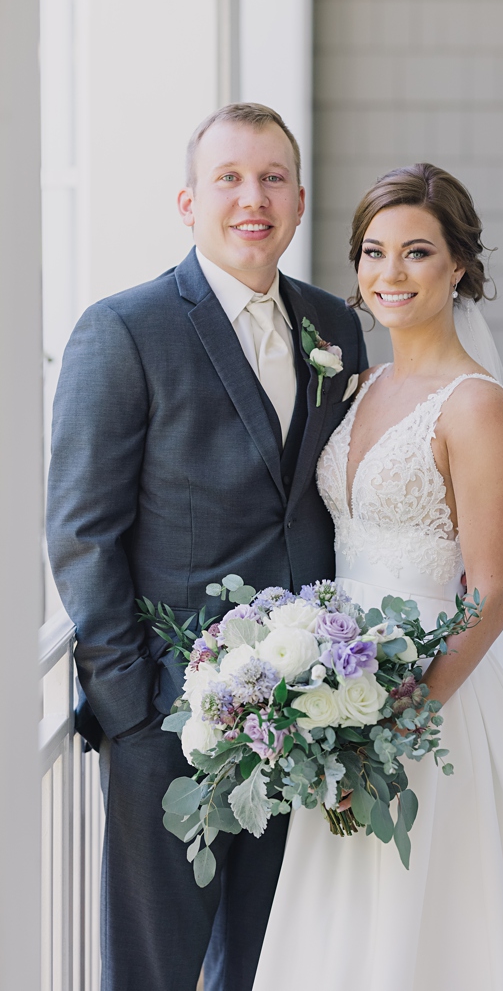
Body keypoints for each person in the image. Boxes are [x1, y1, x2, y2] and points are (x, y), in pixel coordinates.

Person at [252, 164, 503, 990]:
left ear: (459, 269)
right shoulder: (358, 389)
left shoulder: (477, 407)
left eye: (416, 253)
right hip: (338, 695)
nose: (390, 274)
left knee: (448, 921)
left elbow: (494, 590)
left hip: (429, 702)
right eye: (373, 253)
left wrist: (400, 718)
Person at [47, 103, 369, 990]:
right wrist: (130, 709)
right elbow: (82, 529)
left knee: (273, 963)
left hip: (305, 717)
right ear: (187, 202)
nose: (251, 198)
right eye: (228, 178)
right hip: (165, 716)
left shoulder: (334, 330)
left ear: (299, 202)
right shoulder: (124, 330)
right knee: (153, 970)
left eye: (271, 178)